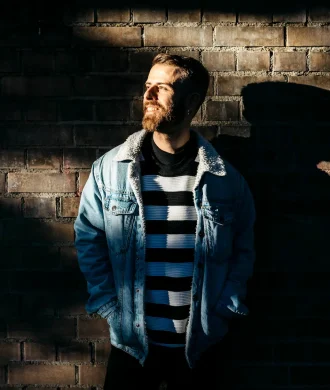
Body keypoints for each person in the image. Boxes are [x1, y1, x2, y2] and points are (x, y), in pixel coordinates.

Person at [74, 53, 256, 389]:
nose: (148, 95)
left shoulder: (225, 181)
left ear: (191, 101)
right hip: (133, 348)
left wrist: (222, 310)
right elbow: (89, 240)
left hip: (200, 349)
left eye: (162, 88)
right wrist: (111, 309)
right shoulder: (110, 171)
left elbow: (243, 251)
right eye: (147, 86)